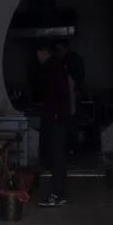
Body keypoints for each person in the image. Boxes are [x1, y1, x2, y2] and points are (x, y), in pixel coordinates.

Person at [37, 44, 71, 207]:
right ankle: (59, 193)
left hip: (55, 119)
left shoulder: (52, 69)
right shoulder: (57, 68)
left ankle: (56, 194)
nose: (38, 57)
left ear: (45, 52)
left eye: (39, 53)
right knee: (58, 157)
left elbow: (52, 96)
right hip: (58, 118)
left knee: (56, 157)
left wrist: (53, 116)